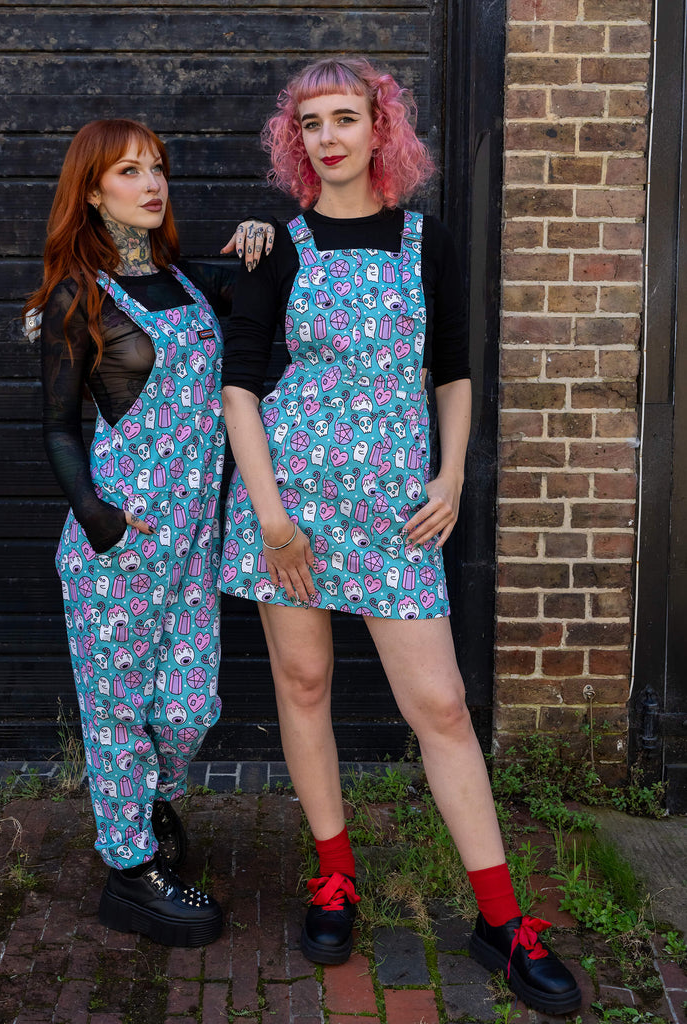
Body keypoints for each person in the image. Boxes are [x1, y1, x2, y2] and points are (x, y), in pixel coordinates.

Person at [219, 58, 582, 1015]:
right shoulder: (279, 245)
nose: (328, 136)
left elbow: (453, 369)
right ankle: (333, 875)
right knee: (303, 685)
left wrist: (452, 475)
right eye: (310, 122)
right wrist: (268, 516)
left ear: (383, 130)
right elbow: (241, 385)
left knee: (442, 705)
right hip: (288, 504)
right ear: (292, 140)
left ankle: (500, 919)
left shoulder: (426, 240)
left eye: (347, 117)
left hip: (395, 512)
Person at [26, 118, 272, 948]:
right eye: (129, 172)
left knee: (189, 707)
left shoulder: (190, 282)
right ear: (92, 191)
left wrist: (261, 238)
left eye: (157, 168)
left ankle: (147, 808)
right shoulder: (80, 296)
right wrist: (96, 518)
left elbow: (273, 282)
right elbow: (60, 427)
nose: (150, 183)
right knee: (115, 712)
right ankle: (131, 873)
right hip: (119, 548)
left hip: (193, 545)